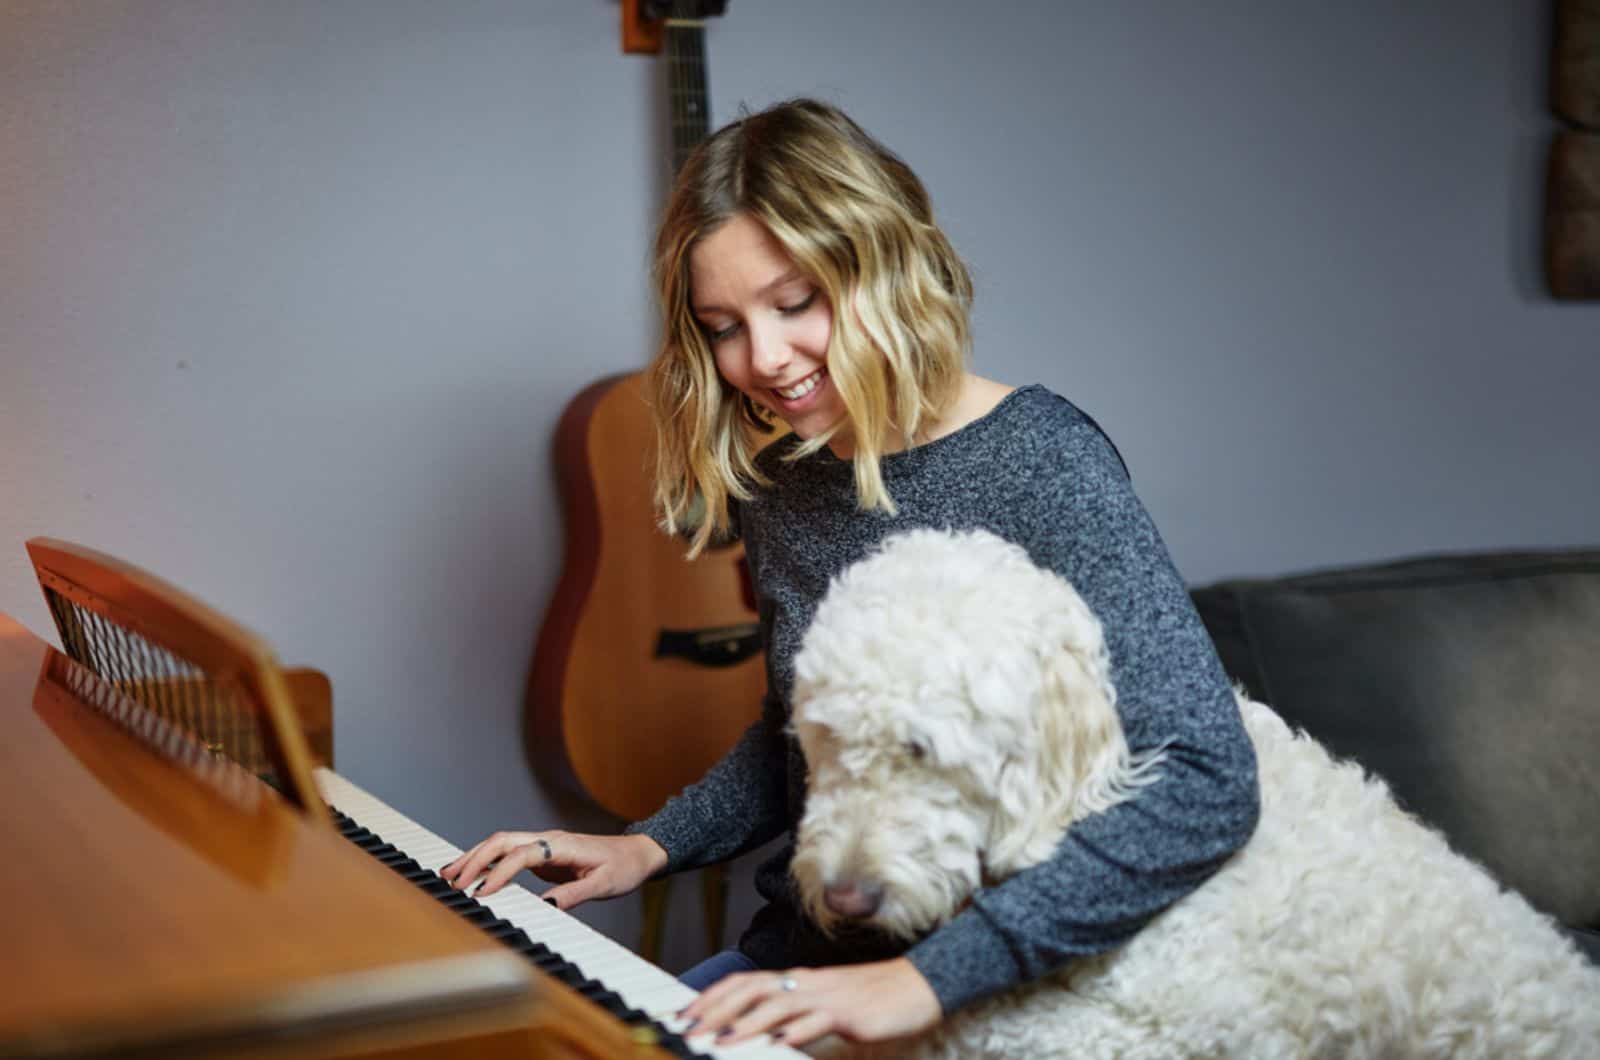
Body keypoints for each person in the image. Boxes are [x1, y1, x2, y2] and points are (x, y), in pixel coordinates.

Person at [441, 98, 1260, 1050]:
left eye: (795, 305)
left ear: (887, 266)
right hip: (808, 955)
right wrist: (646, 844)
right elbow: (806, 738)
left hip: (994, 977)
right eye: (723, 326)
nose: (763, 360)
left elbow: (1206, 780)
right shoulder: (785, 479)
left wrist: (922, 979)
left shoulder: (1044, 460)